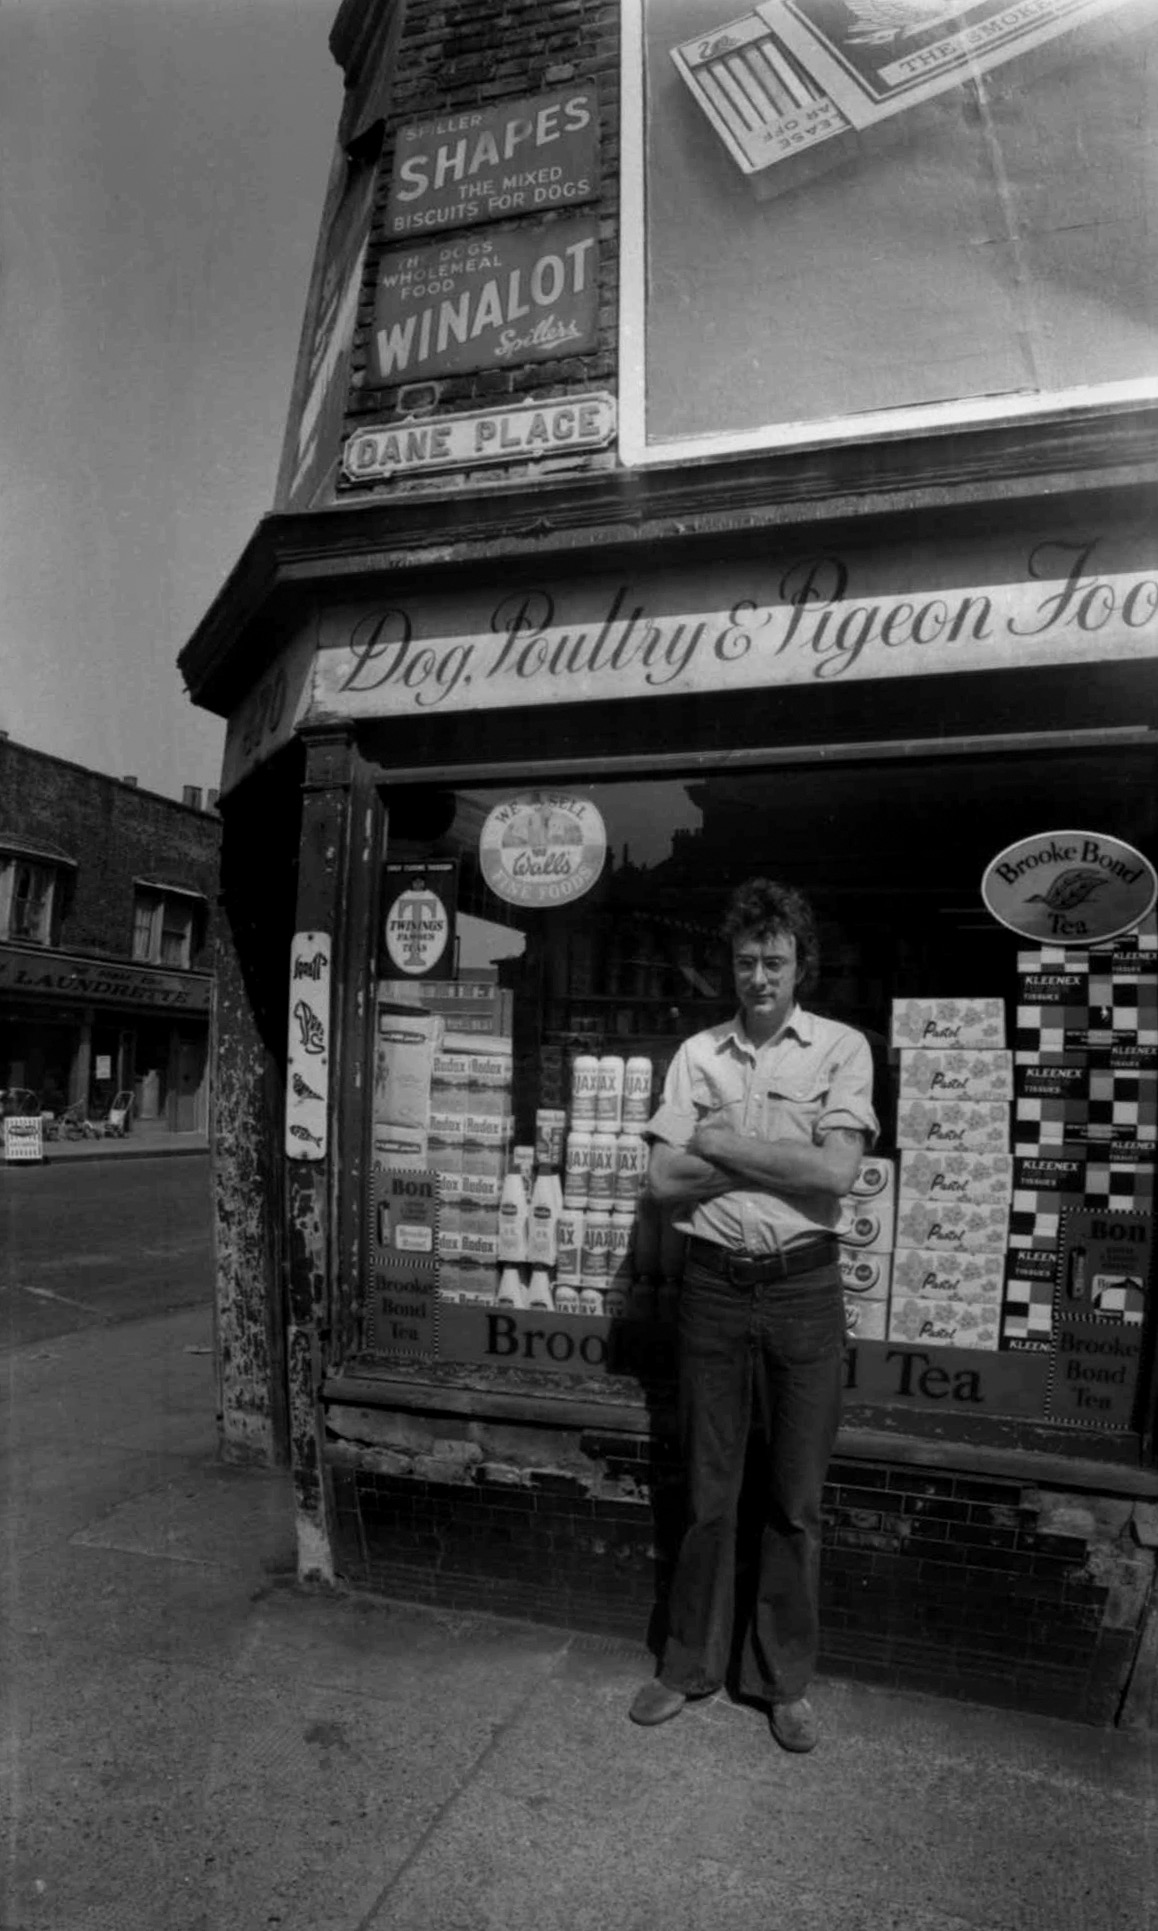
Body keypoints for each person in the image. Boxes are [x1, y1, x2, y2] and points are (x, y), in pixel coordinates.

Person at [629, 878, 877, 1752]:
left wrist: (725, 1145)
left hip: (806, 1289)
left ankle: (782, 1680)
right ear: (728, 968)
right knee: (708, 1488)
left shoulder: (843, 1049)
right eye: (745, 961)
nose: (759, 975)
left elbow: (838, 1175)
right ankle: (686, 1665)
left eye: (774, 959)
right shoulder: (697, 1055)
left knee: (796, 1498)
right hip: (714, 1287)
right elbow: (662, 1184)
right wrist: (784, 1161)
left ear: (801, 963)